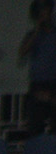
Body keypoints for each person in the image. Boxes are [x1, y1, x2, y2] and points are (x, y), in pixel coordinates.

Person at [22, 1, 56, 135]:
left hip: (54, 82)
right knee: (35, 125)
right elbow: (22, 52)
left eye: (46, 11)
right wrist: (37, 29)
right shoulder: (33, 35)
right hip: (38, 84)